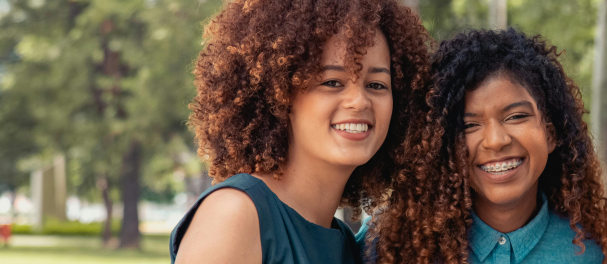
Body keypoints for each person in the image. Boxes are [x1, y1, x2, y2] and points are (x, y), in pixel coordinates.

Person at [169, 0, 431, 263]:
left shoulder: (350, 247)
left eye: (377, 84)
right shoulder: (236, 215)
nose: (359, 101)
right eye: (331, 82)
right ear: (279, 94)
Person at [356, 29, 607, 263]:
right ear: (442, 146)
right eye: (469, 125)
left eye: (516, 116)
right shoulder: (387, 247)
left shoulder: (596, 253)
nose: (496, 141)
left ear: (551, 132)